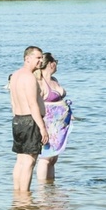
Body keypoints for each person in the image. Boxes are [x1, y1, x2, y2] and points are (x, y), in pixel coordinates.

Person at [9, 47, 48, 192]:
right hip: (30, 121)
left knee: (20, 161)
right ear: (27, 58)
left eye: (41, 58)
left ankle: (17, 193)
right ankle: (25, 196)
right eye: (38, 58)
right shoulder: (29, 77)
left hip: (17, 120)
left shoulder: (14, 75)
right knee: (29, 161)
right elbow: (33, 105)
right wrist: (42, 128)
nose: (41, 61)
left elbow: (12, 102)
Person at [36, 53, 72, 182]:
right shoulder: (40, 82)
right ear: (51, 63)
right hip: (47, 123)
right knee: (45, 157)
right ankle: (41, 188)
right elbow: (36, 103)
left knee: (53, 157)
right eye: (56, 61)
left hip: (59, 125)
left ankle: (50, 186)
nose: (57, 64)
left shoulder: (55, 80)